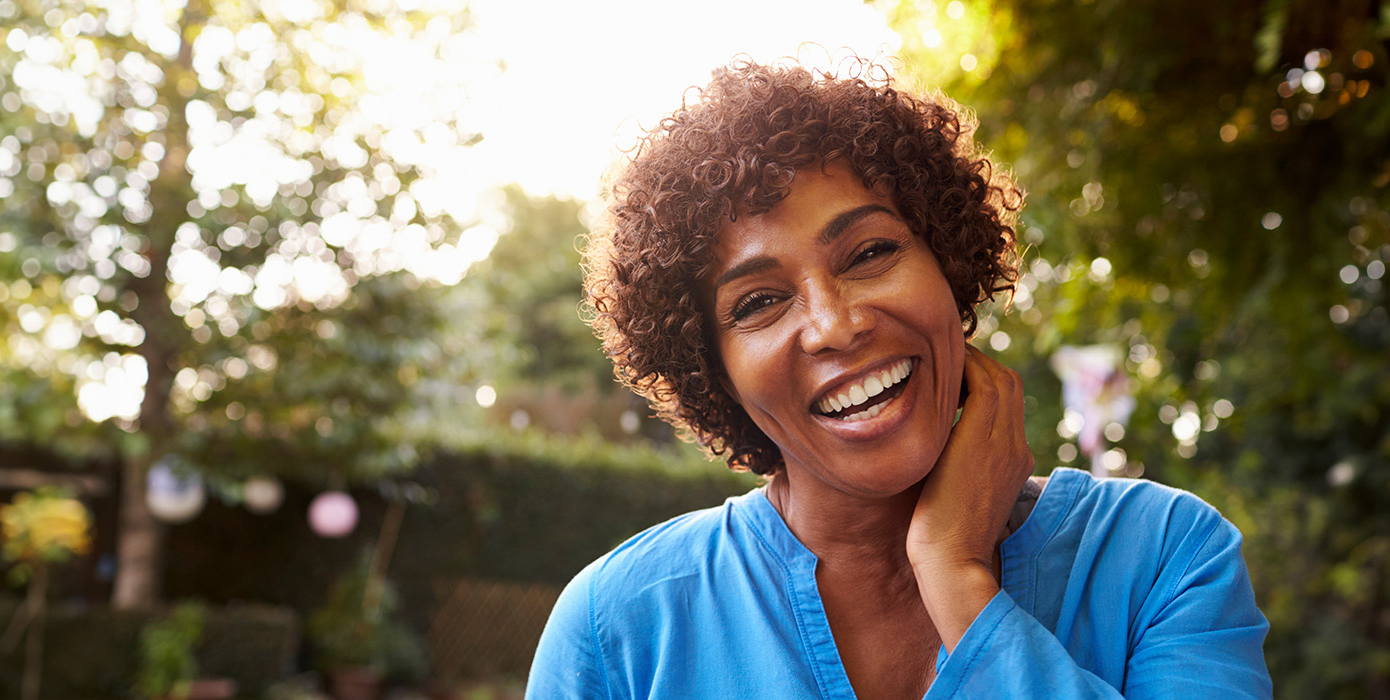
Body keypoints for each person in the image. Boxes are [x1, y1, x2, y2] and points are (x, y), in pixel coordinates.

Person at [524, 57, 1271, 699]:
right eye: (758, 302)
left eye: (869, 253)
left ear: (948, 264)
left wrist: (958, 578)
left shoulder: (1165, 556)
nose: (835, 324)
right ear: (711, 371)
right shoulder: (620, 628)